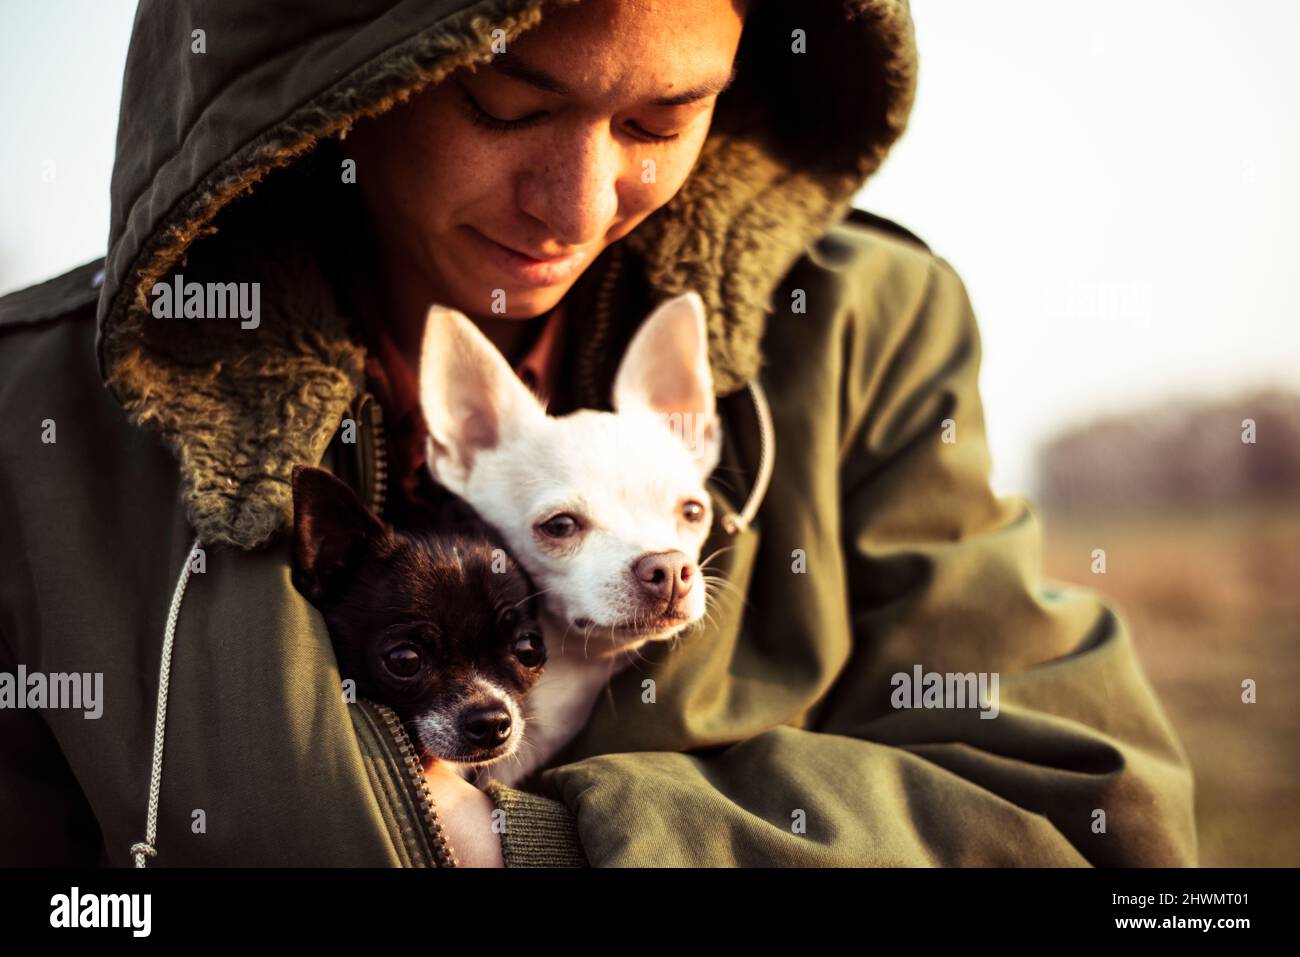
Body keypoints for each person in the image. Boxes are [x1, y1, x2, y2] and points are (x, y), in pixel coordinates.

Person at [0, 0, 1197, 868]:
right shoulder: (37, 409)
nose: (575, 206)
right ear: (336, 78)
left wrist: (562, 847)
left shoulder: (851, 328)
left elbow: (1087, 814)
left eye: (663, 119)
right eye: (505, 104)